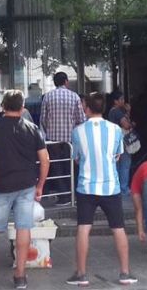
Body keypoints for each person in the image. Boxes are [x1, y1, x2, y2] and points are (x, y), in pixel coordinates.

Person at [0, 90, 49, 290]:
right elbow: (45, 160)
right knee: (23, 229)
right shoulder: (32, 128)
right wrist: (40, 185)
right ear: (22, 107)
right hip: (26, 185)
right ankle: (20, 276)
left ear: (3, 106)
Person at [66, 92, 137, 286]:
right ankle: (124, 273)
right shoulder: (115, 129)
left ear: (87, 108)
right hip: (111, 187)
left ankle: (81, 274)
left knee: (83, 228)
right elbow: (118, 156)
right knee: (118, 228)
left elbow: (77, 158)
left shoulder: (77, 131)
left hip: (86, 187)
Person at [40, 72, 86, 205]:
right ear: (66, 81)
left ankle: (64, 196)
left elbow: (43, 119)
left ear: (54, 82)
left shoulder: (48, 97)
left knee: (57, 168)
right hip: (70, 140)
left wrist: (49, 130)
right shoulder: (74, 96)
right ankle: (74, 195)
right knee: (71, 167)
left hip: (52, 141)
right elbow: (81, 119)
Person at [108, 91, 134, 197]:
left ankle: (117, 188)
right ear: (116, 101)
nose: (123, 101)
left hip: (114, 140)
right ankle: (124, 188)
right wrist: (131, 123)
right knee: (125, 164)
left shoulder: (111, 112)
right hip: (122, 141)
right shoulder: (118, 112)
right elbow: (126, 125)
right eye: (121, 99)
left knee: (117, 165)